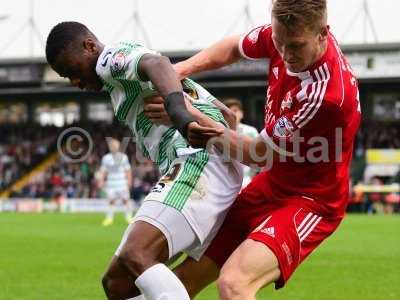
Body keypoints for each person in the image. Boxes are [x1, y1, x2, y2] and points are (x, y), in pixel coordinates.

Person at [146, 0, 362, 298]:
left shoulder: (325, 94)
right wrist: (177, 72)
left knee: (234, 283)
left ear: (323, 34)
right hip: (271, 183)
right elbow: (234, 47)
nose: (285, 54)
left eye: (296, 46)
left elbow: (257, 153)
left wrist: (185, 112)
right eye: (278, 42)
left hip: (311, 200)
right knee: (182, 280)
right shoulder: (287, 30)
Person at [45, 22, 243, 300]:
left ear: (89, 46)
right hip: (207, 163)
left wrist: (180, 116)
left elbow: (157, 63)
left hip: (197, 161)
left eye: (72, 71)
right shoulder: (121, 83)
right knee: (118, 283)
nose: (74, 82)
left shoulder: (109, 61)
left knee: (136, 254)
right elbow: (227, 114)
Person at [97, 138, 133, 226]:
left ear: (118, 147)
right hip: (111, 184)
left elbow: (128, 170)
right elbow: (103, 171)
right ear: (110, 147)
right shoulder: (106, 158)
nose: (113, 147)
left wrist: (129, 181)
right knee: (111, 201)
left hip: (122, 183)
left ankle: (128, 217)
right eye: (112, 146)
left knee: (126, 201)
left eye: (115, 145)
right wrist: (101, 181)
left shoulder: (124, 157)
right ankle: (109, 219)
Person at [224, 98, 259, 188]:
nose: (233, 114)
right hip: (226, 182)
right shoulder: (220, 131)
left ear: (242, 114)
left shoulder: (251, 131)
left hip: (248, 181)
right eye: (229, 111)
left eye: (235, 110)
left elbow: (260, 155)